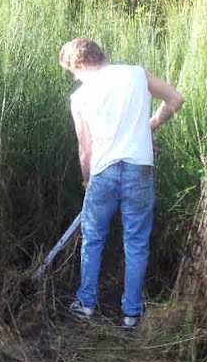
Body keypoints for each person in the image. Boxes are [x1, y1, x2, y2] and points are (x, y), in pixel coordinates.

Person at [58, 37, 184, 328]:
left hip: (103, 171)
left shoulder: (80, 97)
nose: (74, 77)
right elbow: (176, 99)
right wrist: (149, 124)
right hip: (139, 168)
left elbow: (85, 149)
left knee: (93, 239)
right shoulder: (136, 74)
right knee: (136, 242)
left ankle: (87, 303)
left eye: (72, 71)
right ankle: (131, 313)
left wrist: (87, 180)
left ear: (82, 64)